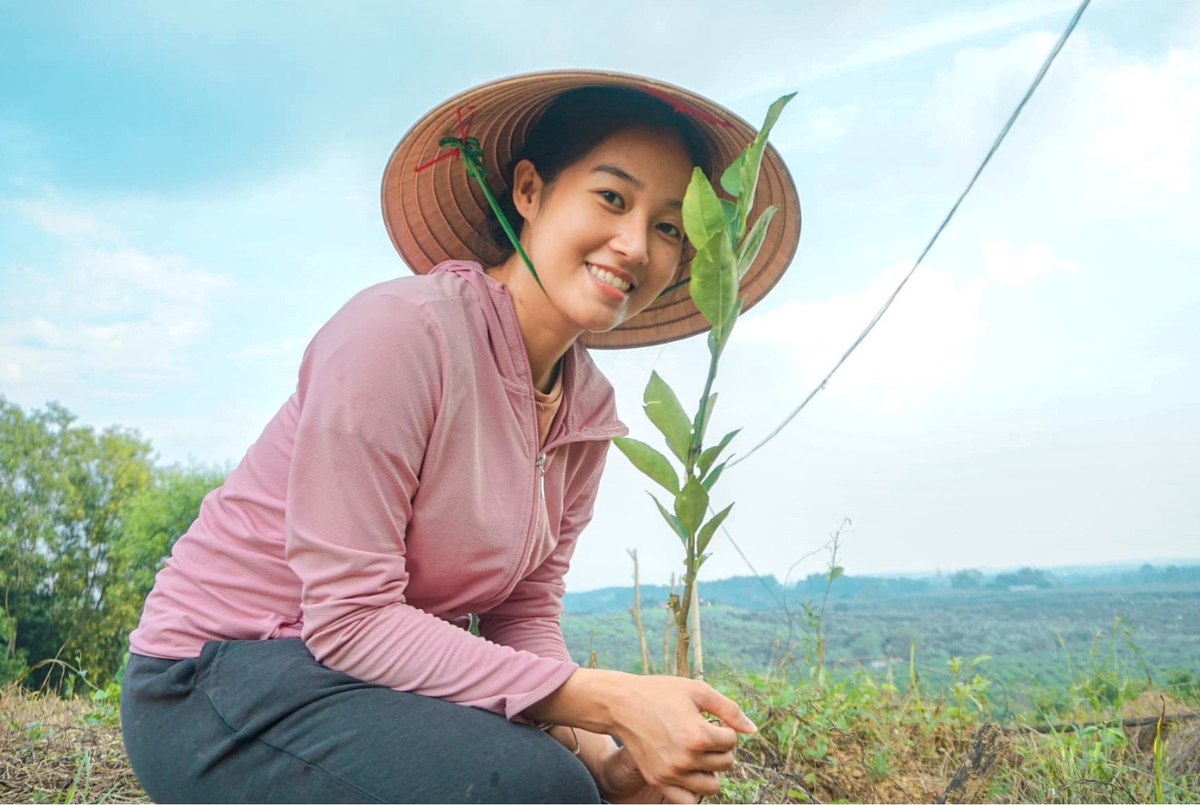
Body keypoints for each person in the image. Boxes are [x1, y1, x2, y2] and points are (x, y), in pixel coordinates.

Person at [120, 70, 801, 804]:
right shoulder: (401, 334)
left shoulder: (586, 410)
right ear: (530, 191)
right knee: (536, 789)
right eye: (612, 197)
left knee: (566, 783)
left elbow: (522, 613)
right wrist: (607, 701)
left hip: (358, 682)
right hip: (218, 678)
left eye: (668, 227)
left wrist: (602, 759)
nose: (635, 244)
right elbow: (349, 618)